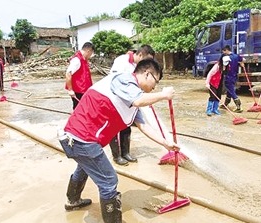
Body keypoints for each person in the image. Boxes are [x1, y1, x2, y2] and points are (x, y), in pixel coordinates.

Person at [58, 58, 179, 223]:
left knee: (85, 167)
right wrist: (164, 95)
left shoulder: (131, 96)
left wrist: (166, 143)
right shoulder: (124, 79)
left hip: (80, 139)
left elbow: (144, 126)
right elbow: (139, 100)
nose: (154, 88)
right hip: (82, 140)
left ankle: (72, 201)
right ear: (147, 74)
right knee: (109, 180)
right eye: (155, 82)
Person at [108, 45, 155, 166]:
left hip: (131, 101)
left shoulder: (139, 67)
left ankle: (126, 153)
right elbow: (115, 80)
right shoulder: (121, 61)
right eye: (146, 60)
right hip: (117, 100)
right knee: (114, 128)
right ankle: (116, 156)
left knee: (126, 126)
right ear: (140, 55)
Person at [65, 42, 95, 109]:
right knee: (78, 109)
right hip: (78, 91)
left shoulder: (83, 59)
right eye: (91, 53)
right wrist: (70, 90)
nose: (90, 56)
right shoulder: (77, 60)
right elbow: (68, 74)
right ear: (88, 51)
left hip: (83, 90)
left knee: (84, 109)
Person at [221, 45, 246, 112]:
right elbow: (243, 59)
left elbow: (223, 66)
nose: (223, 53)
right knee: (230, 90)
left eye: (223, 51)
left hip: (228, 76)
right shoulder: (236, 56)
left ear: (226, 50)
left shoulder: (226, 57)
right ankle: (225, 104)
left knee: (231, 91)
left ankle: (239, 106)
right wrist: (241, 63)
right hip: (234, 76)